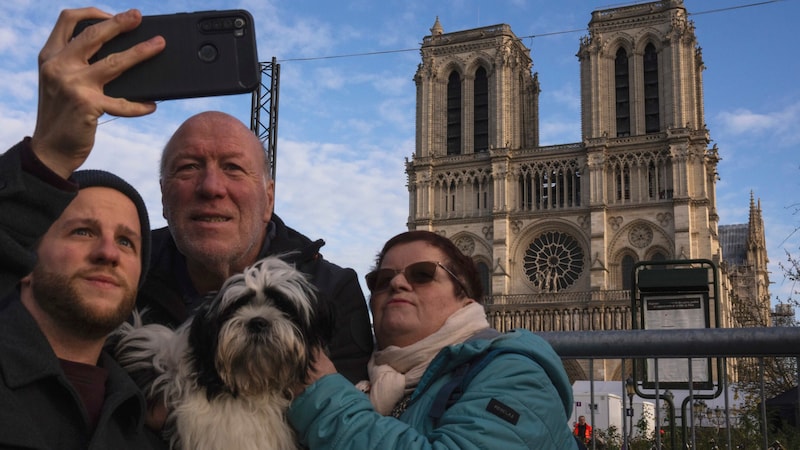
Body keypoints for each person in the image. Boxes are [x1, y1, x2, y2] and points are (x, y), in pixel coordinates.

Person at [0, 8, 170, 448]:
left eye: (128, 243)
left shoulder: (148, 428)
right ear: (24, 260)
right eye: (82, 232)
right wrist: (48, 158)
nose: (108, 253)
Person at [135, 110, 374, 383]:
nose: (211, 187)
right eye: (189, 166)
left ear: (268, 200)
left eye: (233, 168)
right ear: (164, 196)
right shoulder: (124, 273)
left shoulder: (332, 289)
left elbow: (342, 419)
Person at [288, 230, 578, 449]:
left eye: (422, 274)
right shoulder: (357, 374)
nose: (397, 283)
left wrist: (324, 398)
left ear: (465, 297)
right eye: (381, 279)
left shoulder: (516, 375)